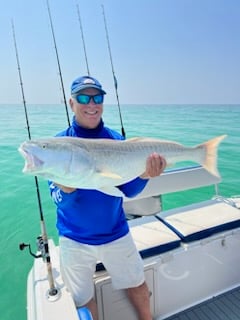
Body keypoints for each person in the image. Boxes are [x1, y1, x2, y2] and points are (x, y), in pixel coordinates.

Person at [49, 75, 166, 320]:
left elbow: (128, 191)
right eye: (83, 97)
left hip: (116, 233)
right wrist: (67, 189)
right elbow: (57, 198)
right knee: (82, 300)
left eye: (97, 97)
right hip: (74, 239)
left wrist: (145, 174)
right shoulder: (59, 146)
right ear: (71, 103)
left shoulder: (116, 140)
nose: (91, 104)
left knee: (138, 287)